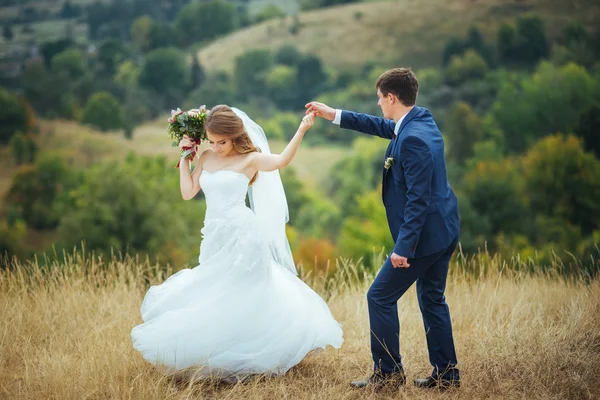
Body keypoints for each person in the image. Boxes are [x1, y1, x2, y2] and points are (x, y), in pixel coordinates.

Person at [131, 105, 343, 382]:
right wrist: (186, 156)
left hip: (243, 236)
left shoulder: (249, 159)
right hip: (214, 235)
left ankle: (250, 353)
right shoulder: (205, 157)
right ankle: (218, 351)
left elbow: (280, 161)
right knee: (215, 292)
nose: (217, 147)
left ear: (234, 136)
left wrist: (302, 129)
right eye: (212, 141)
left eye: (222, 141)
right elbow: (187, 192)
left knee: (242, 294)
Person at [306, 67, 461, 391]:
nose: (378, 104)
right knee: (432, 299)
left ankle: (388, 373)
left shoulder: (413, 140)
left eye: (380, 99)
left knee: (379, 296)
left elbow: (418, 202)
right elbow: (381, 126)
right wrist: (333, 114)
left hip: (426, 237)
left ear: (392, 97)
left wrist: (403, 249)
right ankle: (447, 375)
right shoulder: (421, 120)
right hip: (444, 228)